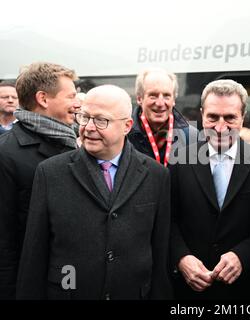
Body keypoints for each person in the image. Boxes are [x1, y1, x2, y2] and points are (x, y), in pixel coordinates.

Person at [16, 85, 173, 300]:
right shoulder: (50, 172)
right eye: (84, 117)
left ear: (127, 126)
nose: (89, 127)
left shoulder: (156, 175)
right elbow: (34, 254)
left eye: (101, 120)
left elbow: (160, 252)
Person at [170, 79, 250, 300]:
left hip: (242, 290)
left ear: (242, 117)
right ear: (201, 115)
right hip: (187, 291)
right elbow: (167, 221)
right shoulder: (179, 161)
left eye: (229, 117)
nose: (220, 127)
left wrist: (242, 256)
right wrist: (181, 258)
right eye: (212, 117)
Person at [0, 62, 80, 299]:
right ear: (43, 99)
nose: (78, 104)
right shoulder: (6, 155)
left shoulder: (77, 144)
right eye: (71, 96)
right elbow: (4, 241)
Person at [128, 67, 198, 167]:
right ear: (139, 98)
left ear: (174, 100)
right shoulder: (124, 135)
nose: (160, 103)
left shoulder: (191, 137)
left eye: (166, 96)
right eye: (153, 95)